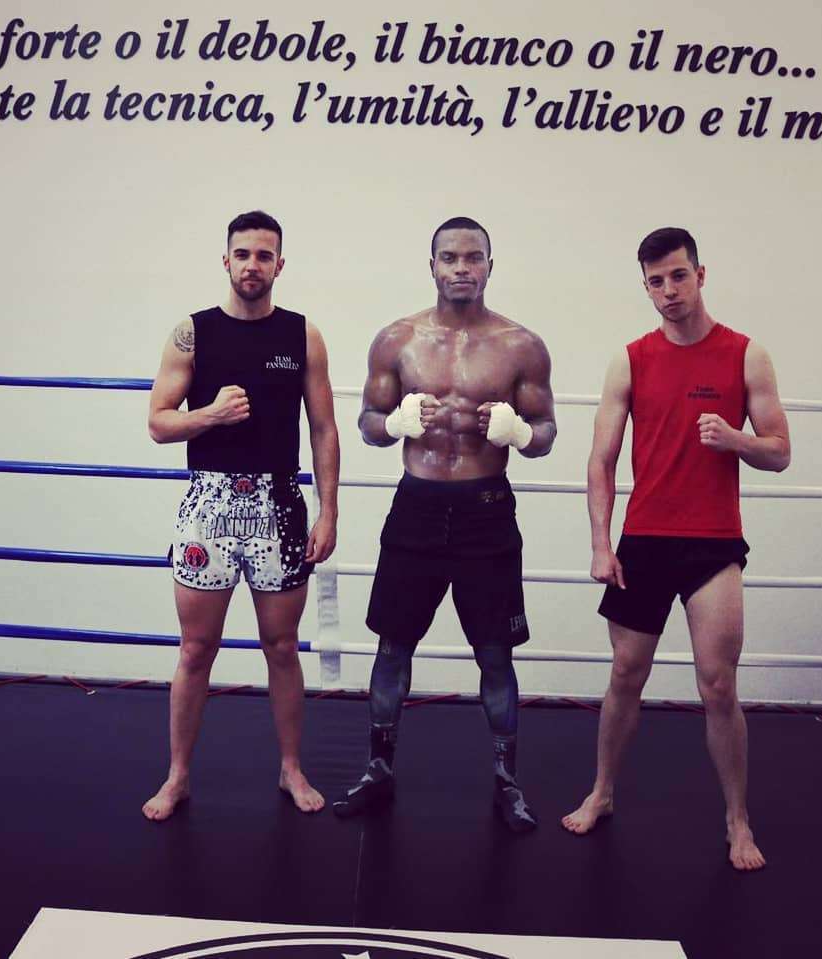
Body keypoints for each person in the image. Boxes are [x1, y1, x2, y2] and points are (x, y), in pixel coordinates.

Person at [561, 227, 791, 871]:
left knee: (717, 685)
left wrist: (736, 440)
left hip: (713, 544)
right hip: (644, 542)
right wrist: (601, 544)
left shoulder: (746, 355)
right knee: (625, 675)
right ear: (646, 286)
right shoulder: (630, 359)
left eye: (678, 276)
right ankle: (603, 792)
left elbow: (780, 452)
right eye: (656, 281)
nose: (668, 291)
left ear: (701, 274)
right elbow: (601, 460)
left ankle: (738, 820)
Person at [331, 216, 556, 833]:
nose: (461, 267)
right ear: (431, 265)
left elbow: (546, 433)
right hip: (418, 507)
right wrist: (395, 423)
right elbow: (368, 423)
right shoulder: (397, 340)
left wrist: (517, 432)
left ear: (490, 265)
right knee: (392, 645)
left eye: (472, 257)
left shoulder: (521, 345)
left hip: (486, 509)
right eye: (450, 257)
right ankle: (378, 769)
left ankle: (508, 781)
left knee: (495, 653)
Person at [142, 210, 339, 821]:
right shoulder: (192, 333)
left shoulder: (302, 335)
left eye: (264, 255)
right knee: (196, 647)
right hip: (210, 503)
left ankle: (290, 768)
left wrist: (329, 512)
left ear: (280, 264)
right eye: (243, 254)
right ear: (225, 260)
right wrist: (210, 415)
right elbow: (158, 423)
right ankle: (177, 776)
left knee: (281, 646)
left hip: (279, 503)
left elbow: (324, 429)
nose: (253, 265)